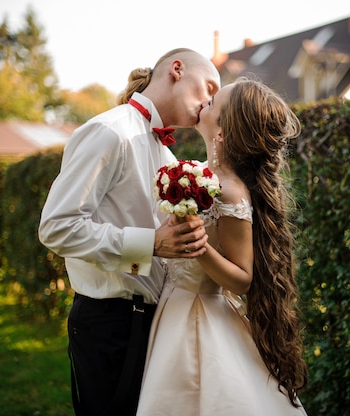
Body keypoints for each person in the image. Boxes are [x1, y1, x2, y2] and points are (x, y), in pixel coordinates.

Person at [38, 48, 220, 416]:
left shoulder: (170, 159)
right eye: (208, 87)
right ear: (177, 69)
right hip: (109, 324)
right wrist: (150, 244)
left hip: (156, 323)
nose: (209, 101)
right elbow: (57, 227)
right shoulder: (109, 131)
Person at [136, 78, 309, 416]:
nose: (205, 102)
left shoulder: (230, 191)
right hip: (173, 306)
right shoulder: (195, 176)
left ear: (223, 133)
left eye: (214, 102)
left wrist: (200, 247)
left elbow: (243, 278)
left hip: (199, 313)